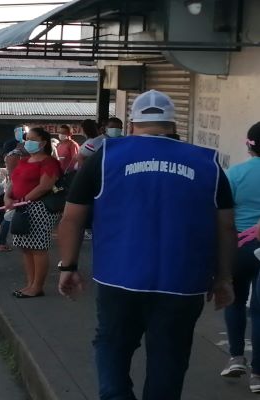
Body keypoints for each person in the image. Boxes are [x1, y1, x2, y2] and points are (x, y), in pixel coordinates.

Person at [57, 90, 236, 400]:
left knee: (112, 345)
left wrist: (68, 266)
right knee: (169, 358)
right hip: (184, 283)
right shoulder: (208, 162)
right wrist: (223, 278)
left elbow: (71, 218)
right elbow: (226, 227)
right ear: (173, 125)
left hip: (118, 278)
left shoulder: (106, 156)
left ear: (131, 125)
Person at [221, 123, 260, 392]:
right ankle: (258, 374)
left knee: (234, 301)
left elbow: (222, 215)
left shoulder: (235, 174)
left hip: (239, 247)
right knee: (259, 311)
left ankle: (236, 357)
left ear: (249, 145)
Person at [5, 127, 61, 298]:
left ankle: (37, 286)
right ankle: (30, 284)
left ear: (43, 142)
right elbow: (13, 182)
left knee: (37, 248)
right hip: (22, 207)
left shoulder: (49, 162)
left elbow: (45, 185)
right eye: (26, 138)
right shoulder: (24, 161)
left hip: (39, 207)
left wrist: (23, 200)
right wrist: (8, 197)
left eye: (32, 139)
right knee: (26, 248)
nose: (27, 142)